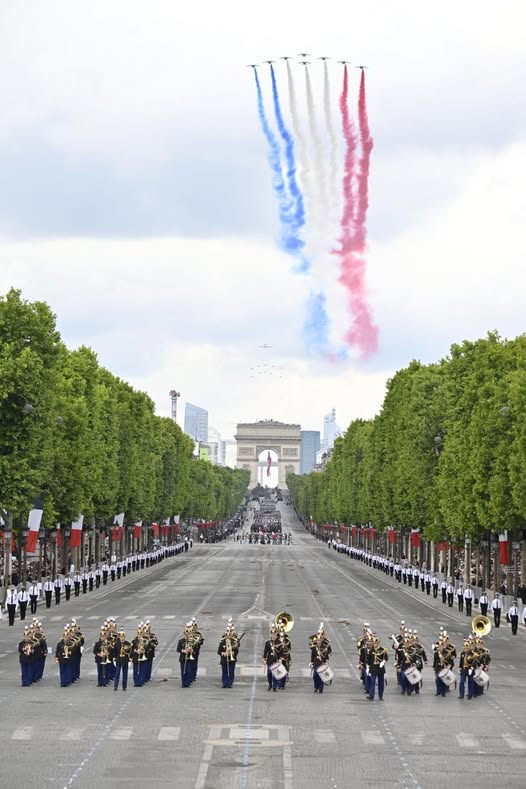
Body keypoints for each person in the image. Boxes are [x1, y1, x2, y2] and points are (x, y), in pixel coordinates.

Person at [310, 623, 332, 694]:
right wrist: (311, 662)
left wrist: (327, 660)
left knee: (321, 676)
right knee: (315, 676)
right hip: (316, 663)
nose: (318, 641)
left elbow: (328, 653)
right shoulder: (314, 648)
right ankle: (316, 687)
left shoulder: (325, 647)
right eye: (318, 640)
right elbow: (312, 656)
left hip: (322, 663)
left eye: (320, 640)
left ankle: (320, 688)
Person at [218, 620, 240, 688]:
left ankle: (230, 683)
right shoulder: (222, 643)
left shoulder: (234, 642)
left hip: (232, 659)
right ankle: (224, 683)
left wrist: (232, 653)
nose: (228, 636)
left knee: (231, 672)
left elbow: (236, 651)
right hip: (224, 659)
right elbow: (219, 651)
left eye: (229, 635)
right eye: (227, 635)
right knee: (224, 672)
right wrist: (223, 653)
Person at [367, 637, 388, 701]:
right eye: (374, 643)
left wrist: (383, 662)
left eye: (376, 643)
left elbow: (386, 658)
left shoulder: (383, 650)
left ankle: (380, 695)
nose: (375, 644)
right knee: (372, 682)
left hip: (380, 668)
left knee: (381, 683)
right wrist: (368, 667)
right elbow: (369, 660)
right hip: (373, 668)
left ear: (378, 643)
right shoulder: (371, 650)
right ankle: (371, 695)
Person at [177, 622, 196, 688]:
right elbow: (178, 649)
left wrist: (191, 650)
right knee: (183, 671)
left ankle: (187, 683)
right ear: (184, 634)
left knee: (189, 671)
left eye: (188, 634)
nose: (187, 635)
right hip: (183, 658)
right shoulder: (181, 641)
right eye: (186, 634)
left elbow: (195, 650)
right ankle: (183, 683)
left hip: (189, 658)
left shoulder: (191, 641)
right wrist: (184, 651)